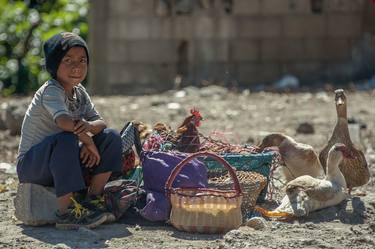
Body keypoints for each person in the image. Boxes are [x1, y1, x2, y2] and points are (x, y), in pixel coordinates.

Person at [16, 32, 122, 229]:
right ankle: (66, 213)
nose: (77, 66)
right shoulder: (51, 90)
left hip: (63, 159)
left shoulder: (79, 91)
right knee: (65, 139)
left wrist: (89, 128)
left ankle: (92, 200)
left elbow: (101, 122)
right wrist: (88, 142)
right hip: (33, 166)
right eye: (68, 60)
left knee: (112, 137)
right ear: (54, 65)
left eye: (82, 60)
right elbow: (64, 122)